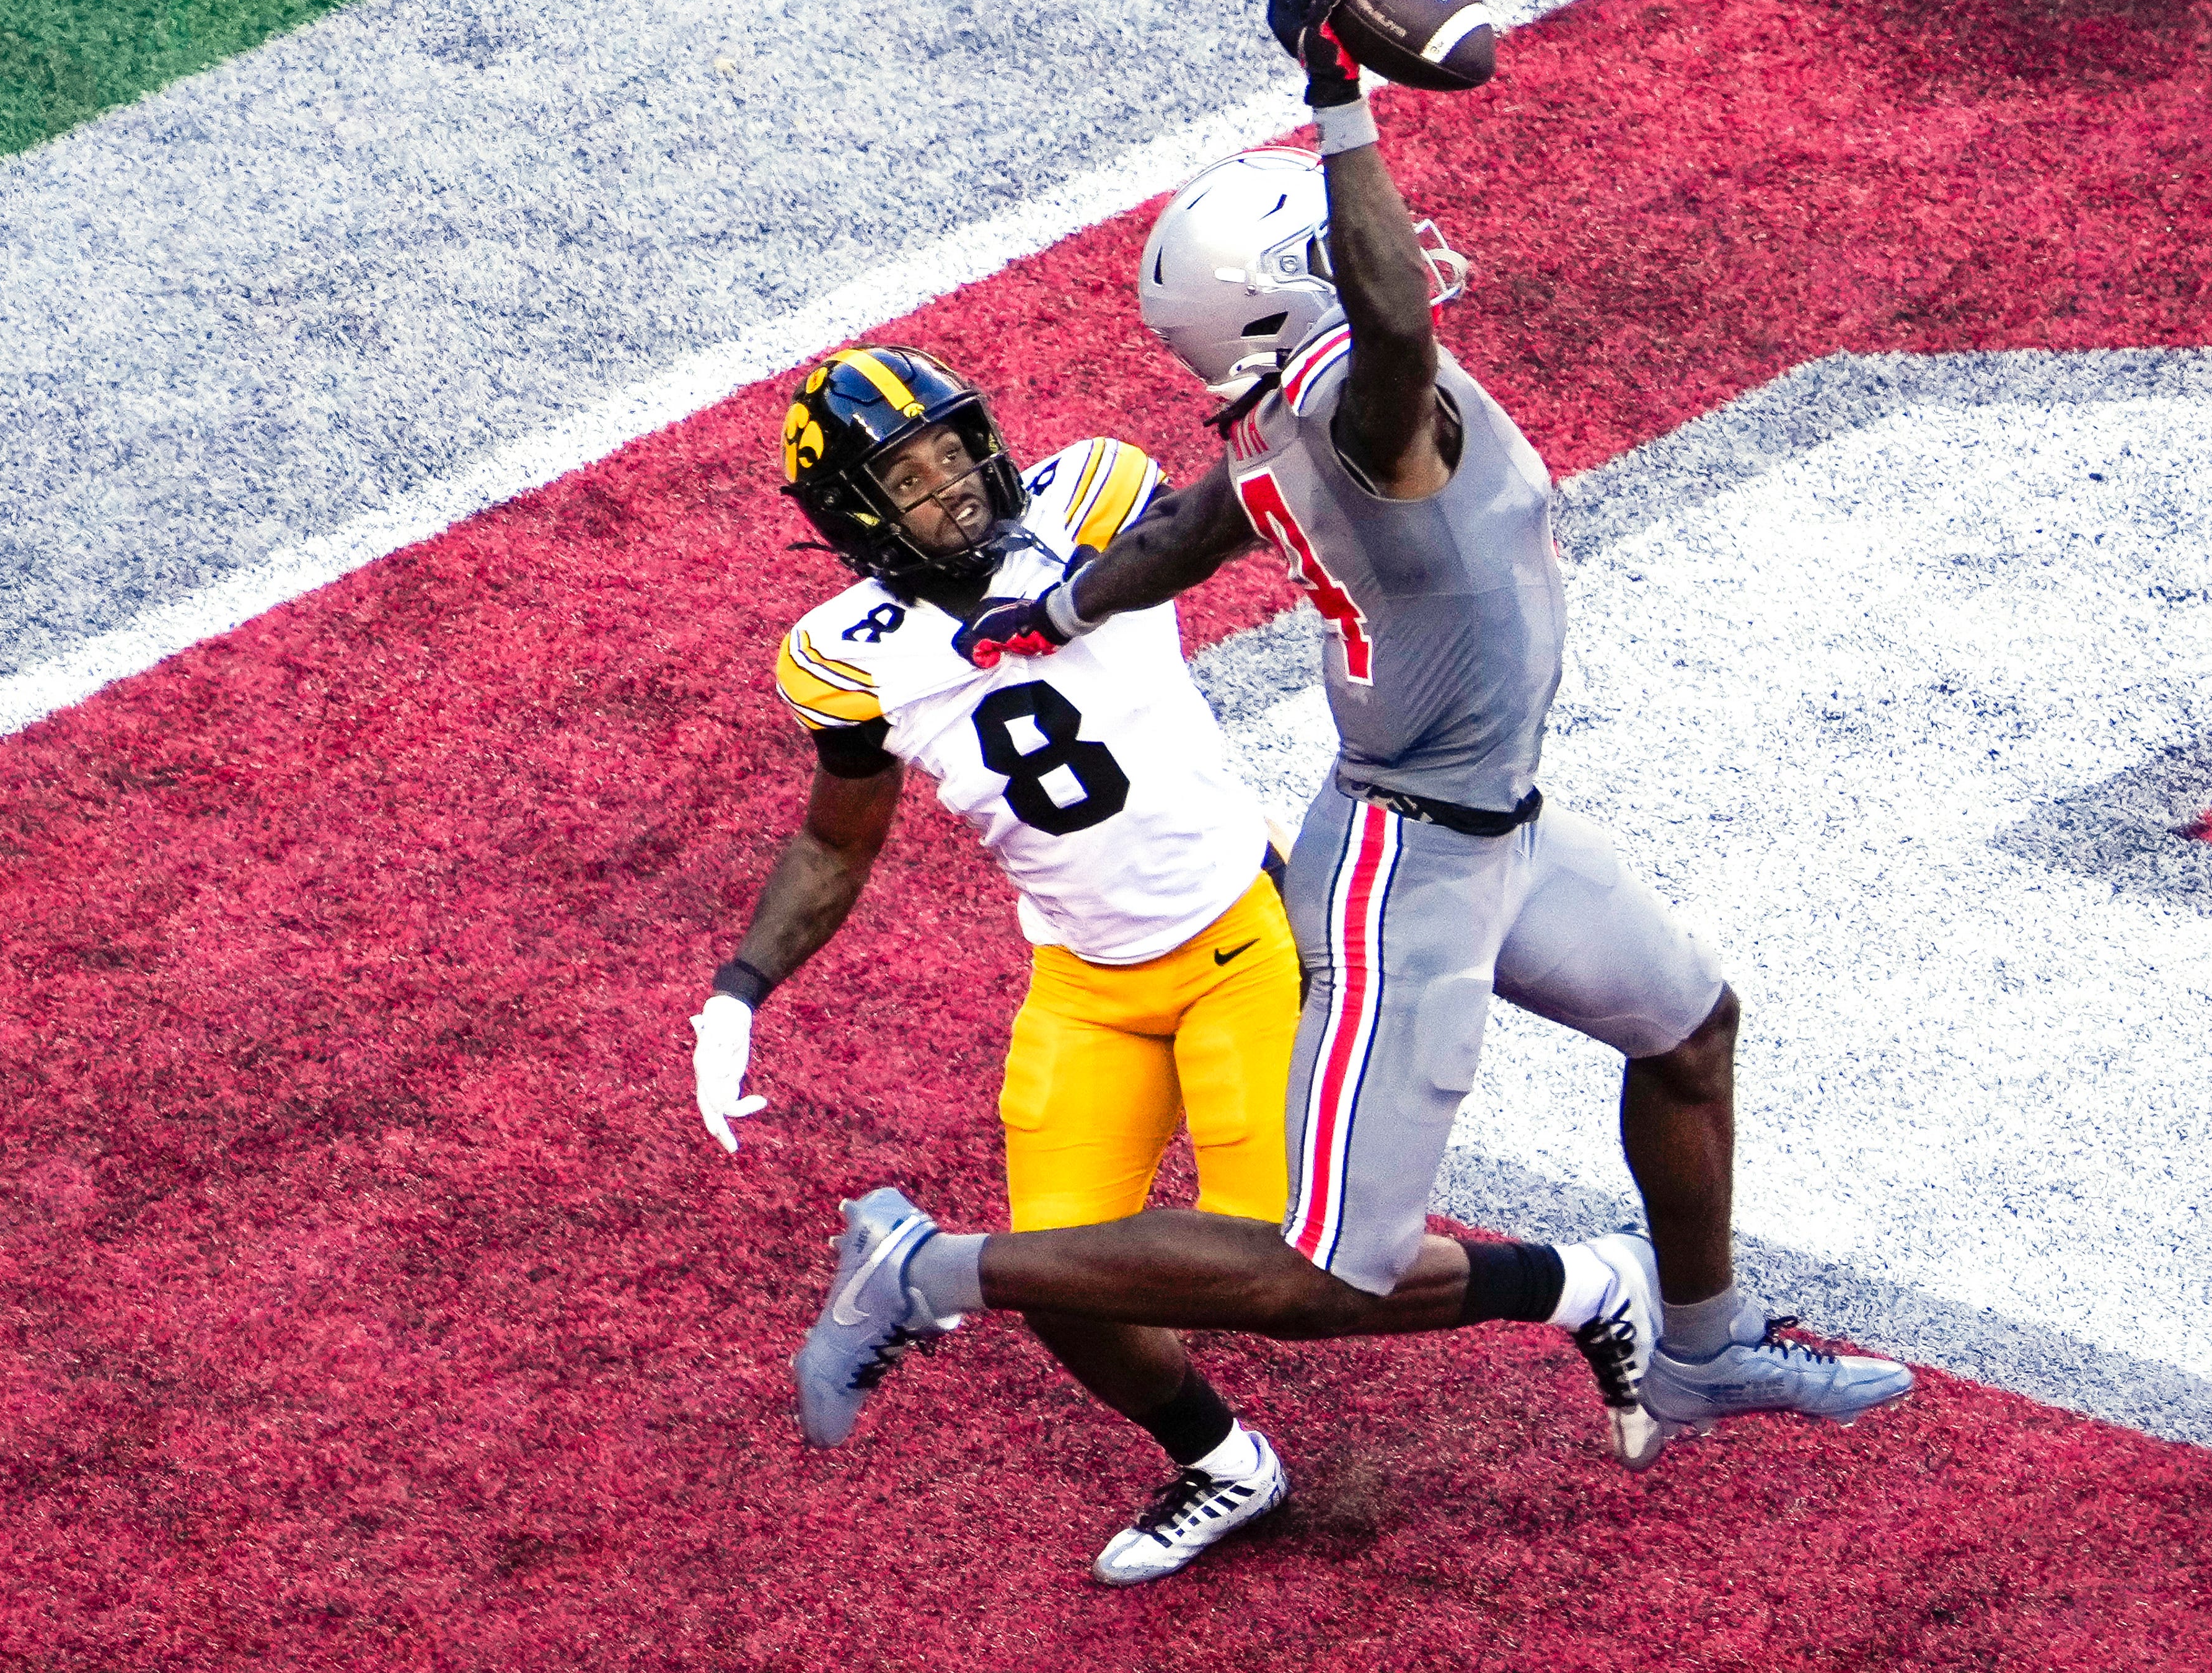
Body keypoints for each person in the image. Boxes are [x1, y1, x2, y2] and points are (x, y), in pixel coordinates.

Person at [793, 0, 1913, 1501]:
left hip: (1499, 822)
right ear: (1281, 308)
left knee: (1688, 1029)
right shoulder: (1348, 403)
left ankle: (1706, 1341)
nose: (1387, 251)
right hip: (1413, 864)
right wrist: (1338, 103)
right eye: (1330, 246)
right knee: (1334, 1276)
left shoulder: (1274, 434)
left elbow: (1187, 526)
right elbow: (1386, 327)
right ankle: (928, 1270)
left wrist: (1056, 605)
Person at [695, 343, 1660, 1584]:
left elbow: (1213, 531)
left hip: (1242, 936)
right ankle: (1222, 1462)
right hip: (1085, 984)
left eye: (954, 445)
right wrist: (740, 990)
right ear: (853, 517)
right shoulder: (842, 653)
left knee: (1310, 1271)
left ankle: (1588, 1283)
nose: (955, 485)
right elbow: (836, 843)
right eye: (910, 473)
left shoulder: (1089, 493)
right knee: (1057, 1277)